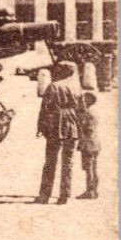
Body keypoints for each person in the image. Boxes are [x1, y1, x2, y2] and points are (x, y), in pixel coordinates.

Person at [36, 59, 84, 204]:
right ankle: (65, 195)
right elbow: (82, 111)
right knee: (68, 162)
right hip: (72, 126)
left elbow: (44, 109)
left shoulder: (53, 87)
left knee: (50, 161)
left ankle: (44, 195)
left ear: (62, 71)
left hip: (55, 125)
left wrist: (40, 127)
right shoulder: (77, 88)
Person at [78, 91, 100, 200]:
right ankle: (94, 190)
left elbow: (88, 129)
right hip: (95, 144)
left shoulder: (87, 113)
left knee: (89, 168)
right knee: (93, 168)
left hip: (88, 144)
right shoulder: (93, 112)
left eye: (83, 100)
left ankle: (90, 191)